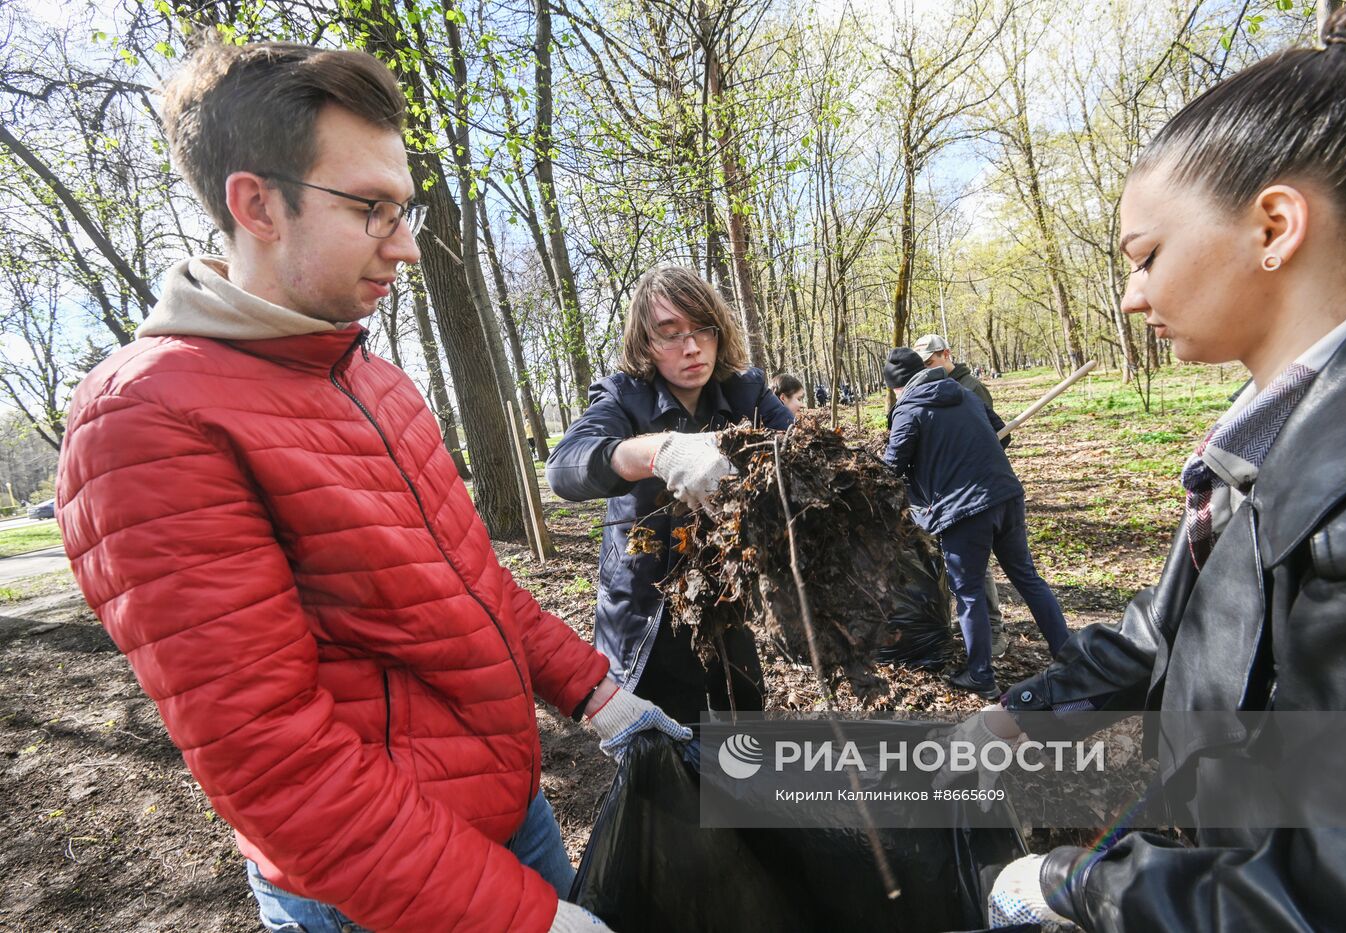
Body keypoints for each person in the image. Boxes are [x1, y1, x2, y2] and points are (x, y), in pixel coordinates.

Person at [53, 39, 687, 933]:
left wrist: (597, 693)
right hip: (375, 891)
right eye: (373, 208)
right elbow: (274, 762)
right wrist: (524, 920)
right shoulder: (149, 419)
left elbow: (471, 590)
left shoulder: (376, 381)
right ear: (256, 203)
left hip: (511, 814)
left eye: (407, 207)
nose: (410, 246)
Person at [969, 3, 1346, 928]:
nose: (1130, 297)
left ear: (1276, 226)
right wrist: (1024, 710)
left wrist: (1072, 885)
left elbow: (1342, 896)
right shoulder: (1273, 438)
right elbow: (1165, 633)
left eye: (1147, 255)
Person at [546, 267, 793, 723]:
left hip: (725, 597)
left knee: (743, 721)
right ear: (645, 343)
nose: (692, 347)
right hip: (647, 608)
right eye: (670, 333)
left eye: (702, 329)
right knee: (669, 746)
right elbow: (564, 467)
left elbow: (795, 452)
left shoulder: (746, 392)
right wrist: (655, 452)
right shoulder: (623, 397)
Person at [882, 348, 1068, 699]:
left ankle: (980, 673)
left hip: (964, 510)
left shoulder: (908, 410)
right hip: (1006, 495)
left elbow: (892, 468)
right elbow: (1004, 434)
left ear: (896, 386)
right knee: (1027, 577)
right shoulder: (964, 393)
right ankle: (1068, 654)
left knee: (968, 593)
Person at [912, 333, 1013, 658]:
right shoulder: (936, 389)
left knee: (981, 567)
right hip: (952, 491)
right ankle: (974, 622)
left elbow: (994, 436)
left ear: (946, 354)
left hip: (979, 490)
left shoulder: (970, 388)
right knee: (964, 566)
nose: (926, 369)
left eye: (930, 362)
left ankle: (994, 630)